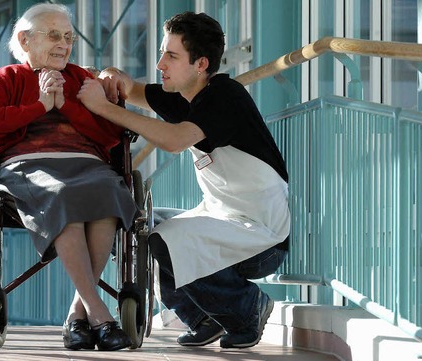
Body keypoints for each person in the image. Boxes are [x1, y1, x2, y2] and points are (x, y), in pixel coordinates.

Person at [78, 11, 291, 349]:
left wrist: (103, 109)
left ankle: (245, 308)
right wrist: (108, 77)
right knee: (135, 224)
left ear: (201, 64)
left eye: (172, 56)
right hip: (221, 223)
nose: (161, 63)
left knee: (162, 239)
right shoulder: (185, 95)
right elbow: (131, 89)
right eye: (162, 53)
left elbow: (175, 139)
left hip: (260, 238)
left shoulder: (224, 95)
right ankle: (204, 317)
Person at [0, 3, 137, 351]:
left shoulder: (81, 78)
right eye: (54, 35)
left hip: (88, 164)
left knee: (108, 191)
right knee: (62, 197)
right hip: (29, 165)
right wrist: (41, 106)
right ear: (25, 40)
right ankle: (100, 317)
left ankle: (80, 313)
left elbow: (111, 134)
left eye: (69, 37)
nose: (64, 44)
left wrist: (66, 105)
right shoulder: (8, 78)